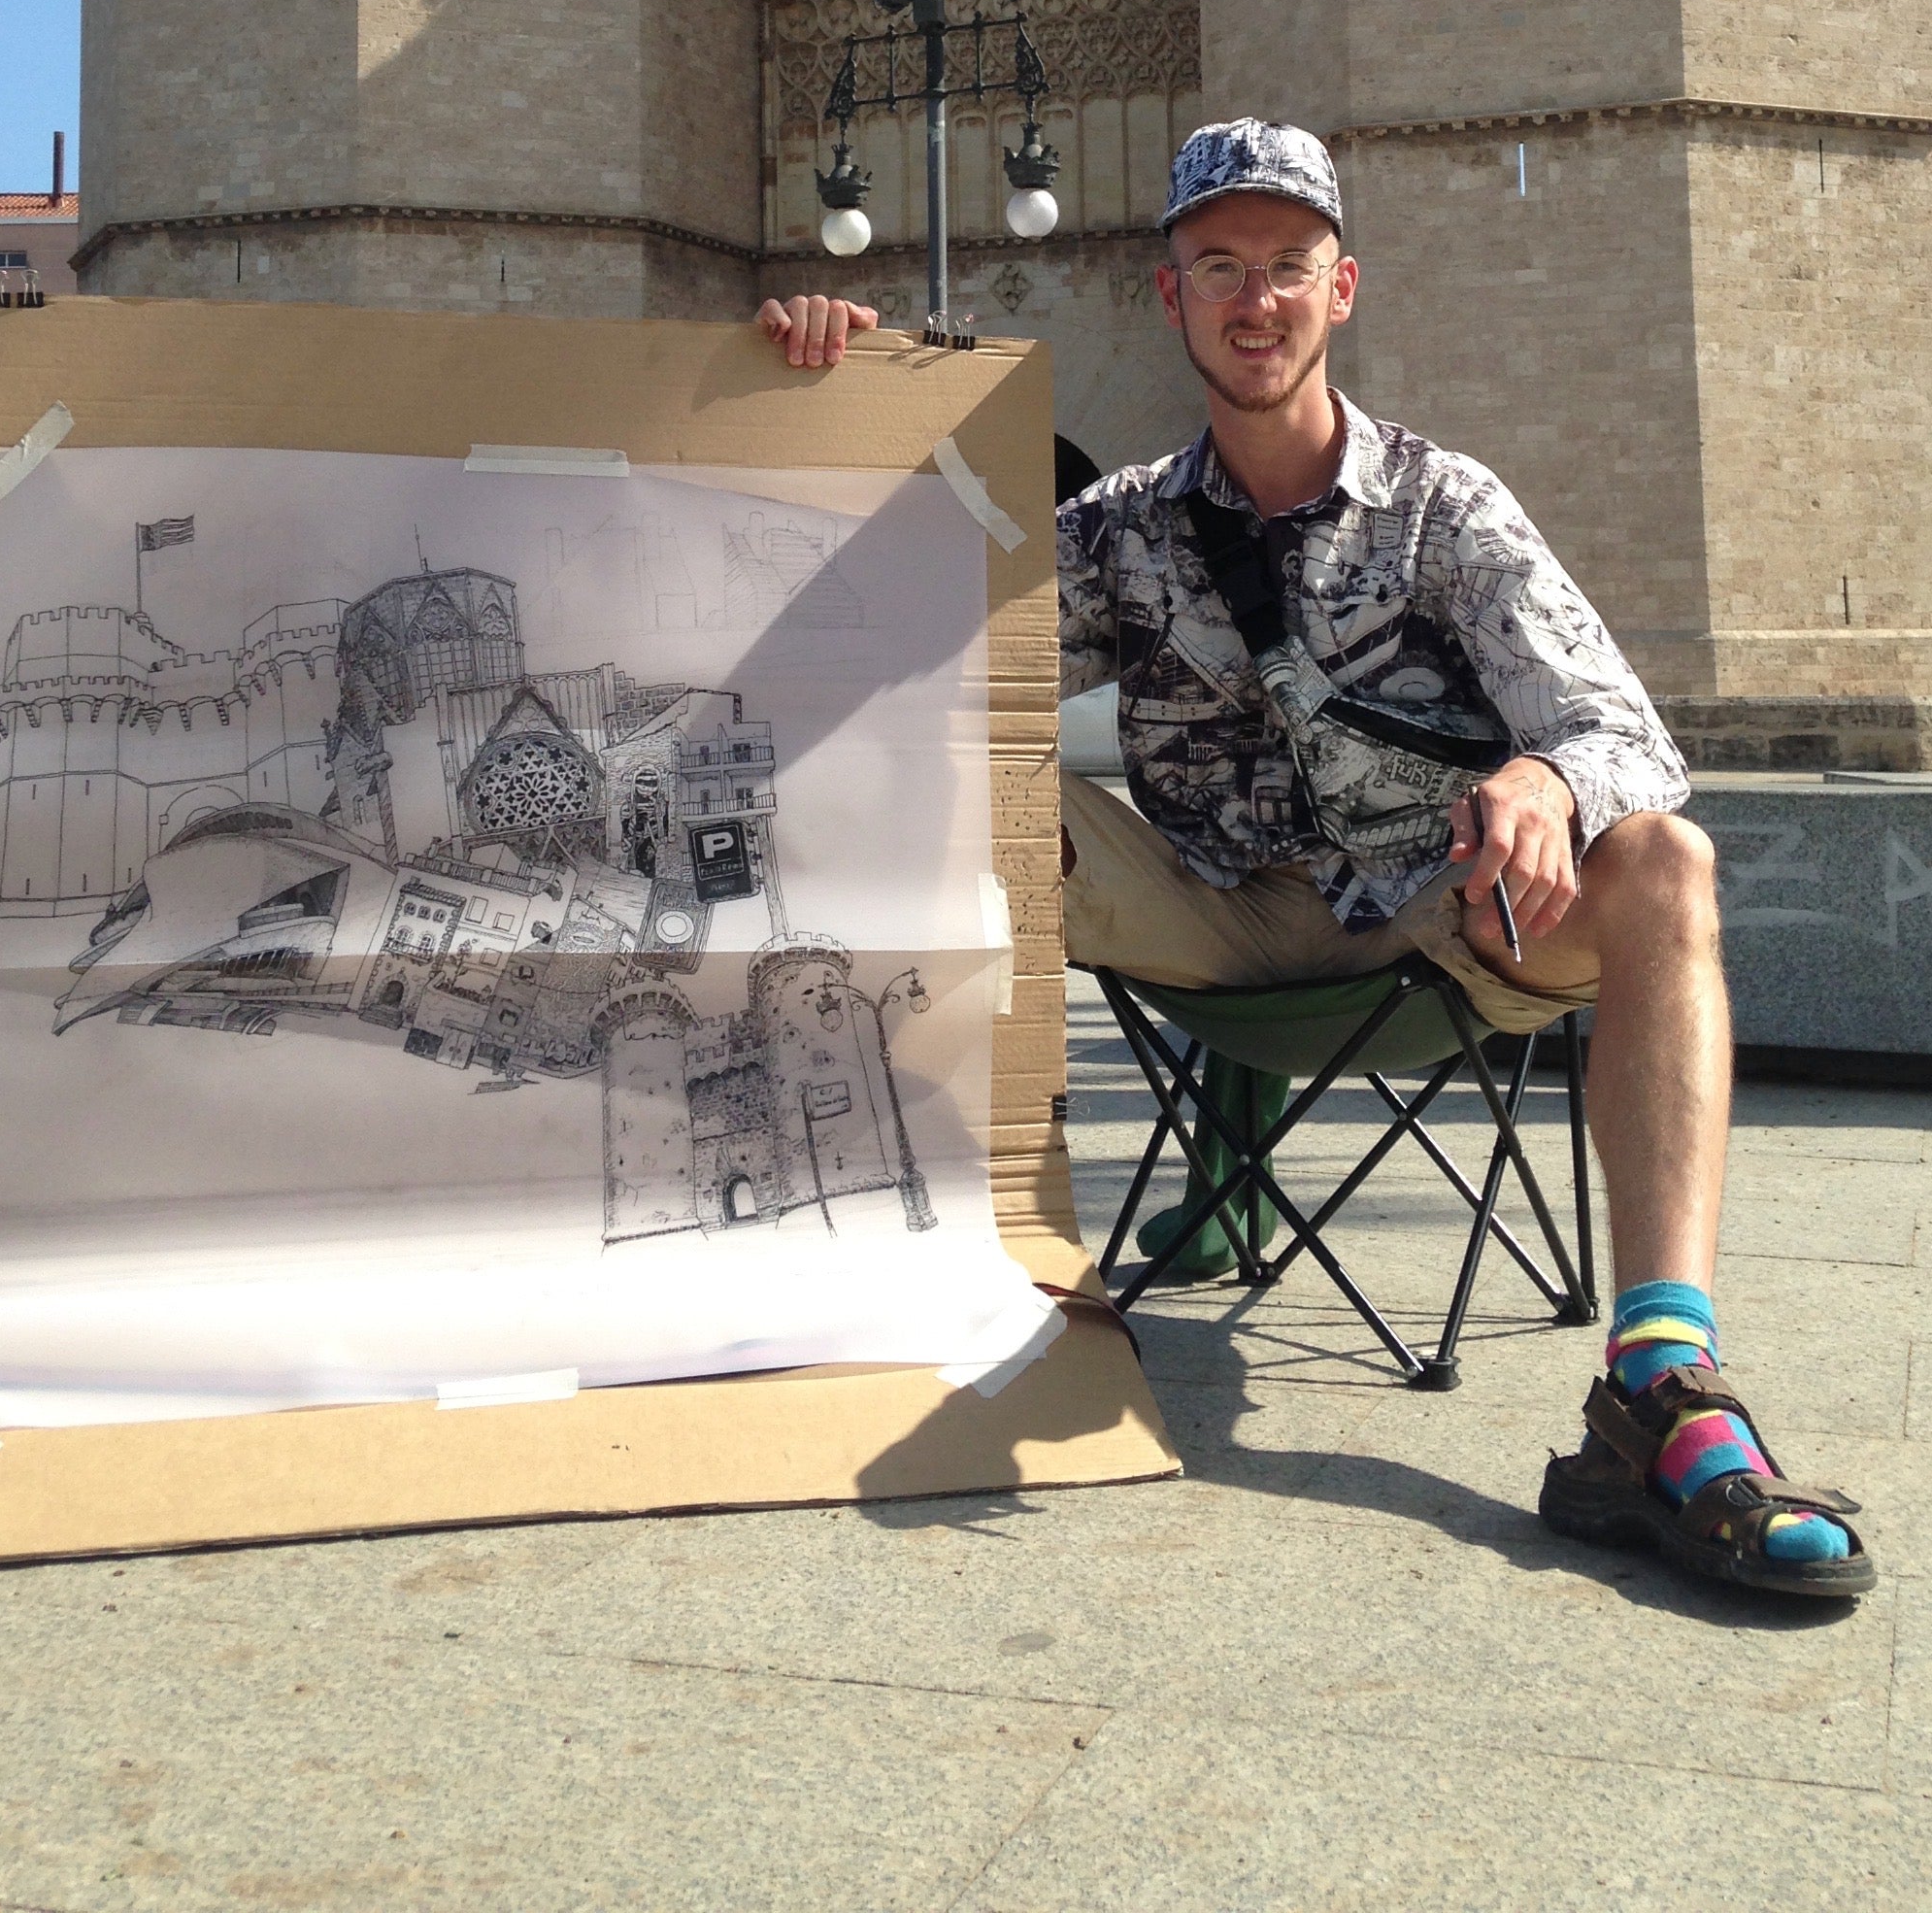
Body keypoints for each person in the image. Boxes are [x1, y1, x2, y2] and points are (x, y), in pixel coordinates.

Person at [756, 117, 1873, 1600]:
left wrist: (1542, 776)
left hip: (1444, 917)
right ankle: (905, 1258)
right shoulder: (1116, 535)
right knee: (949, 786)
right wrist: (844, 401)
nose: (1256, 297)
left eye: (1289, 264)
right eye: (1219, 265)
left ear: (1343, 290)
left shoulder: (1443, 510)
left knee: (1665, 858)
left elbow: (1627, 730)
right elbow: (890, 644)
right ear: (1170, 299)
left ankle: (1661, 1384)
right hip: (1215, 913)